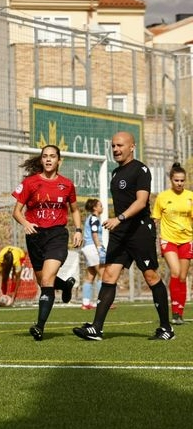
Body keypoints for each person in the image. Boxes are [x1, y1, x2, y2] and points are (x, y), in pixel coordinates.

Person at [74, 131, 174, 341]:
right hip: (120, 232)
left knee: (150, 276)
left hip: (139, 230)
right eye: (113, 146)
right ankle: (96, 328)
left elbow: (141, 202)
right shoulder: (115, 173)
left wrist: (119, 218)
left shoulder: (141, 170)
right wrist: (118, 222)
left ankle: (166, 328)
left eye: (120, 145)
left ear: (132, 147)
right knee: (109, 275)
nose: (116, 149)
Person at [12, 144, 82, 341]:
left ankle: (39, 326)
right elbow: (16, 212)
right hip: (35, 236)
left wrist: (78, 230)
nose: (48, 159)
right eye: (45, 156)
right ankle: (65, 286)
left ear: (59, 160)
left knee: (47, 279)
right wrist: (26, 223)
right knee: (43, 280)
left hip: (57, 235)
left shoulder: (67, 184)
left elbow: (75, 209)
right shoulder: (30, 183)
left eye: (52, 156)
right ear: (41, 160)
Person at [151, 162, 193, 325]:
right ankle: (174, 312)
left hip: (187, 240)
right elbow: (155, 219)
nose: (179, 183)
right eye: (176, 180)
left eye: (182, 180)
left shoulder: (190, 196)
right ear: (171, 180)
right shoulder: (162, 197)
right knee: (175, 272)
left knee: (182, 276)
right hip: (168, 239)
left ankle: (179, 312)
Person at [80, 198, 106, 310]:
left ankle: (86, 303)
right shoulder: (94, 218)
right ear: (95, 208)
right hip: (93, 247)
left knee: (90, 275)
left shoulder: (90, 218)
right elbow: (94, 234)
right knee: (103, 274)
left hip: (88, 247)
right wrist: (99, 248)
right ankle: (102, 301)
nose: (102, 207)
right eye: (100, 205)